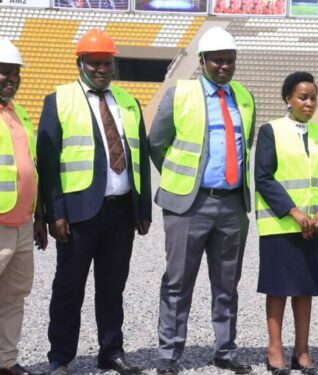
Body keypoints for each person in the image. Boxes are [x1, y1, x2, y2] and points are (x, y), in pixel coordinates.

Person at [36, 29, 151, 375]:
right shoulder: (59, 99)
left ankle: (111, 351)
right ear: (80, 63)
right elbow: (49, 163)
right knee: (69, 287)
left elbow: (140, 157)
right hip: (79, 214)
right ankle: (60, 356)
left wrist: (142, 209)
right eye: (94, 63)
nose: (102, 69)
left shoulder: (128, 102)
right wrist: (54, 212)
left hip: (120, 212)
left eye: (107, 63)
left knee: (112, 287)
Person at [149, 27, 255, 375]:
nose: (224, 67)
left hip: (231, 205)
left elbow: (244, 146)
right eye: (218, 61)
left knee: (227, 283)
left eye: (230, 61)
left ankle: (225, 350)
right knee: (178, 282)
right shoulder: (180, 94)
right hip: (187, 205)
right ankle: (169, 353)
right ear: (202, 62)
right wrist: (183, 182)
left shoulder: (244, 97)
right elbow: (157, 143)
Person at [254, 71, 318, 375]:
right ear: (288, 99)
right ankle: (274, 349)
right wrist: (293, 211)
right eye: (303, 97)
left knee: (305, 290)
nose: (309, 102)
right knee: (278, 290)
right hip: (281, 226)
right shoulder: (270, 131)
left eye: (313, 97)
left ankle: (302, 351)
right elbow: (263, 177)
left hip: (312, 227)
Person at [0, 39, 48, 375]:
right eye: (3, 72)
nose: (10, 78)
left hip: (21, 223)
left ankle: (5, 361)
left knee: (14, 295)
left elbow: (31, 166)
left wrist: (39, 215)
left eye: (14, 73)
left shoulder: (20, 113)